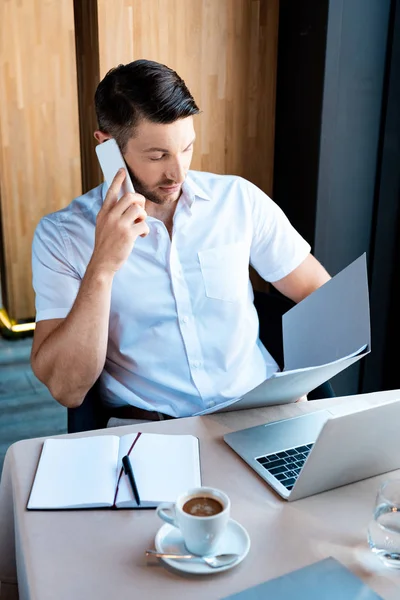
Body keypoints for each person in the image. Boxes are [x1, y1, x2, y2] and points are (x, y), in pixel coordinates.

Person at [30, 59, 330, 422]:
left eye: (186, 148)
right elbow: (67, 388)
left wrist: (303, 385)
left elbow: (320, 295)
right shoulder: (62, 236)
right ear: (107, 146)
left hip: (261, 411)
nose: (178, 172)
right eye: (158, 156)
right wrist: (102, 268)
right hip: (151, 432)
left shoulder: (239, 200)